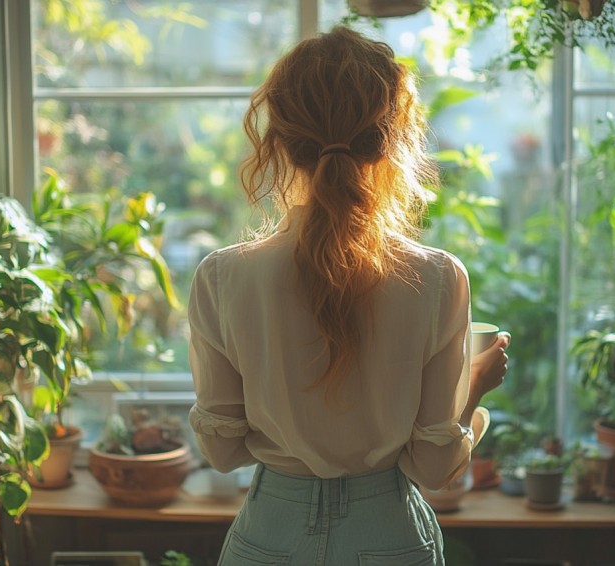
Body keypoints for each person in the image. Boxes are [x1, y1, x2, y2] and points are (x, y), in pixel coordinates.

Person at [188, 26, 511, 565]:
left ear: (282, 143)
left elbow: (221, 450)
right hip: (388, 535)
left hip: (271, 535)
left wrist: (292, 437)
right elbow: (433, 470)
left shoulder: (222, 278)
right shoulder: (437, 279)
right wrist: (472, 388)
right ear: (390, 141)